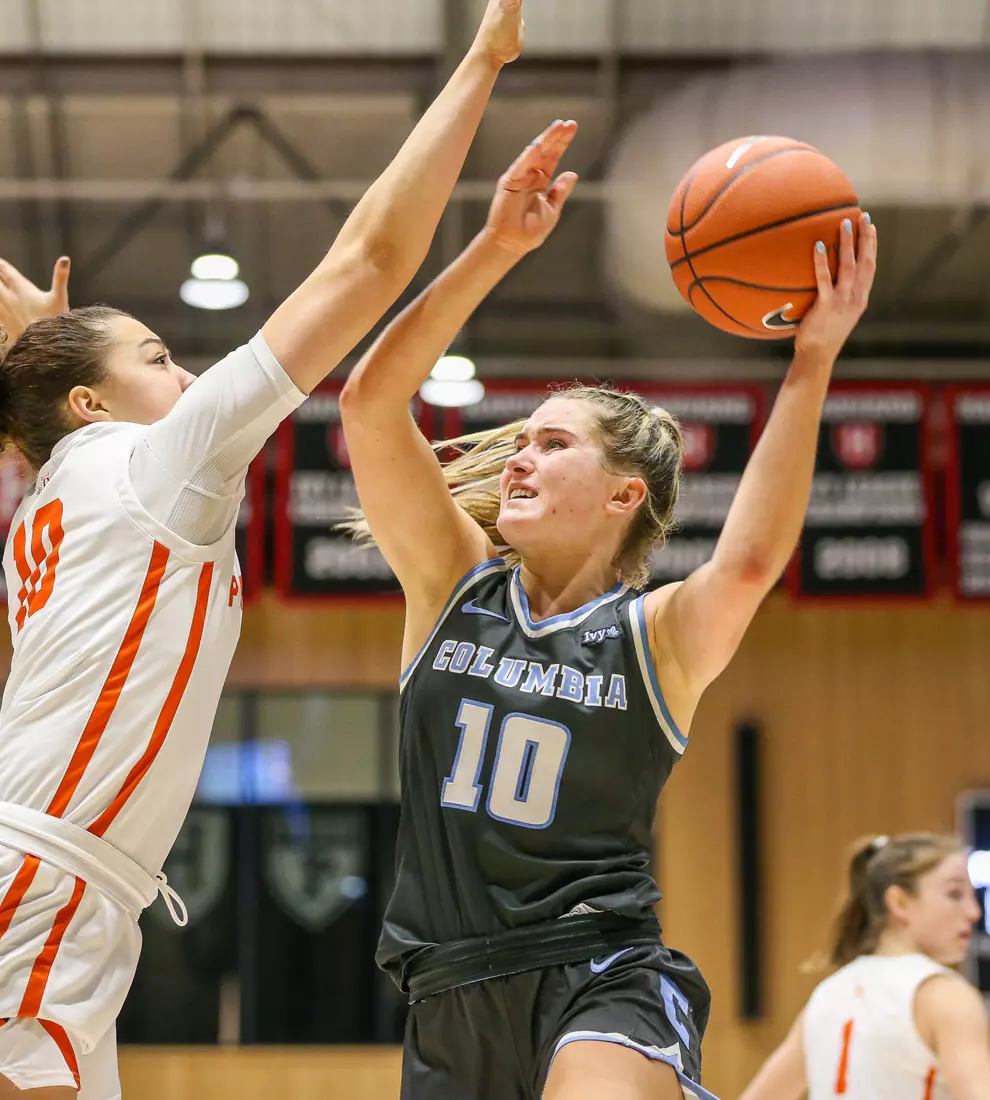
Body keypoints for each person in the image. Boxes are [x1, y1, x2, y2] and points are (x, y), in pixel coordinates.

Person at [0, 4, 526, 1097]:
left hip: (52, 900)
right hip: (23, 894)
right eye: (162, 353)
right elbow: (368, 259)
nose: (186, 373)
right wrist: (481, 62)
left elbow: (58, 427)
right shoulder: (155, 461)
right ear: (92, 401)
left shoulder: (73, 480)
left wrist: (51, 343)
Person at [335, 118, 878, 1100]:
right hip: (448, 993)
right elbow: (372, 404)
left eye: (554, 444)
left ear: (627, 493)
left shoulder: (652, 634)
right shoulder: (453, 582)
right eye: (524, 443)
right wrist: (496, 245)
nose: (523, 458)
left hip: (603, 971)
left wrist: (810, 363)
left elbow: (750, 561)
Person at [737, 834, 990, 1100]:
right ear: (899, 902)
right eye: (954, 894)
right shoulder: (944, 995)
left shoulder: (826, 995)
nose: (974, 911)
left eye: (971, 895)